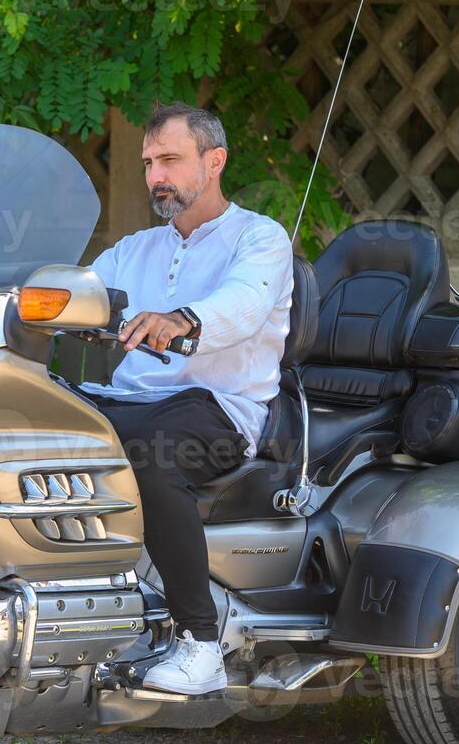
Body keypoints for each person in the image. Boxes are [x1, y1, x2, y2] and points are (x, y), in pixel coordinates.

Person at [74, 102, 294, 695]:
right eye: (149, 163)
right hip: (126, 400)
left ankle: (201, 645)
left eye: (169, 159)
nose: (155, 177)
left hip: (218, 407)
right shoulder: (133, 250)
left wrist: (182, 321)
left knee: (150, 449)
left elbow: (244, 304)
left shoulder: (259, 238)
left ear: (214, 161)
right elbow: (81, 293)